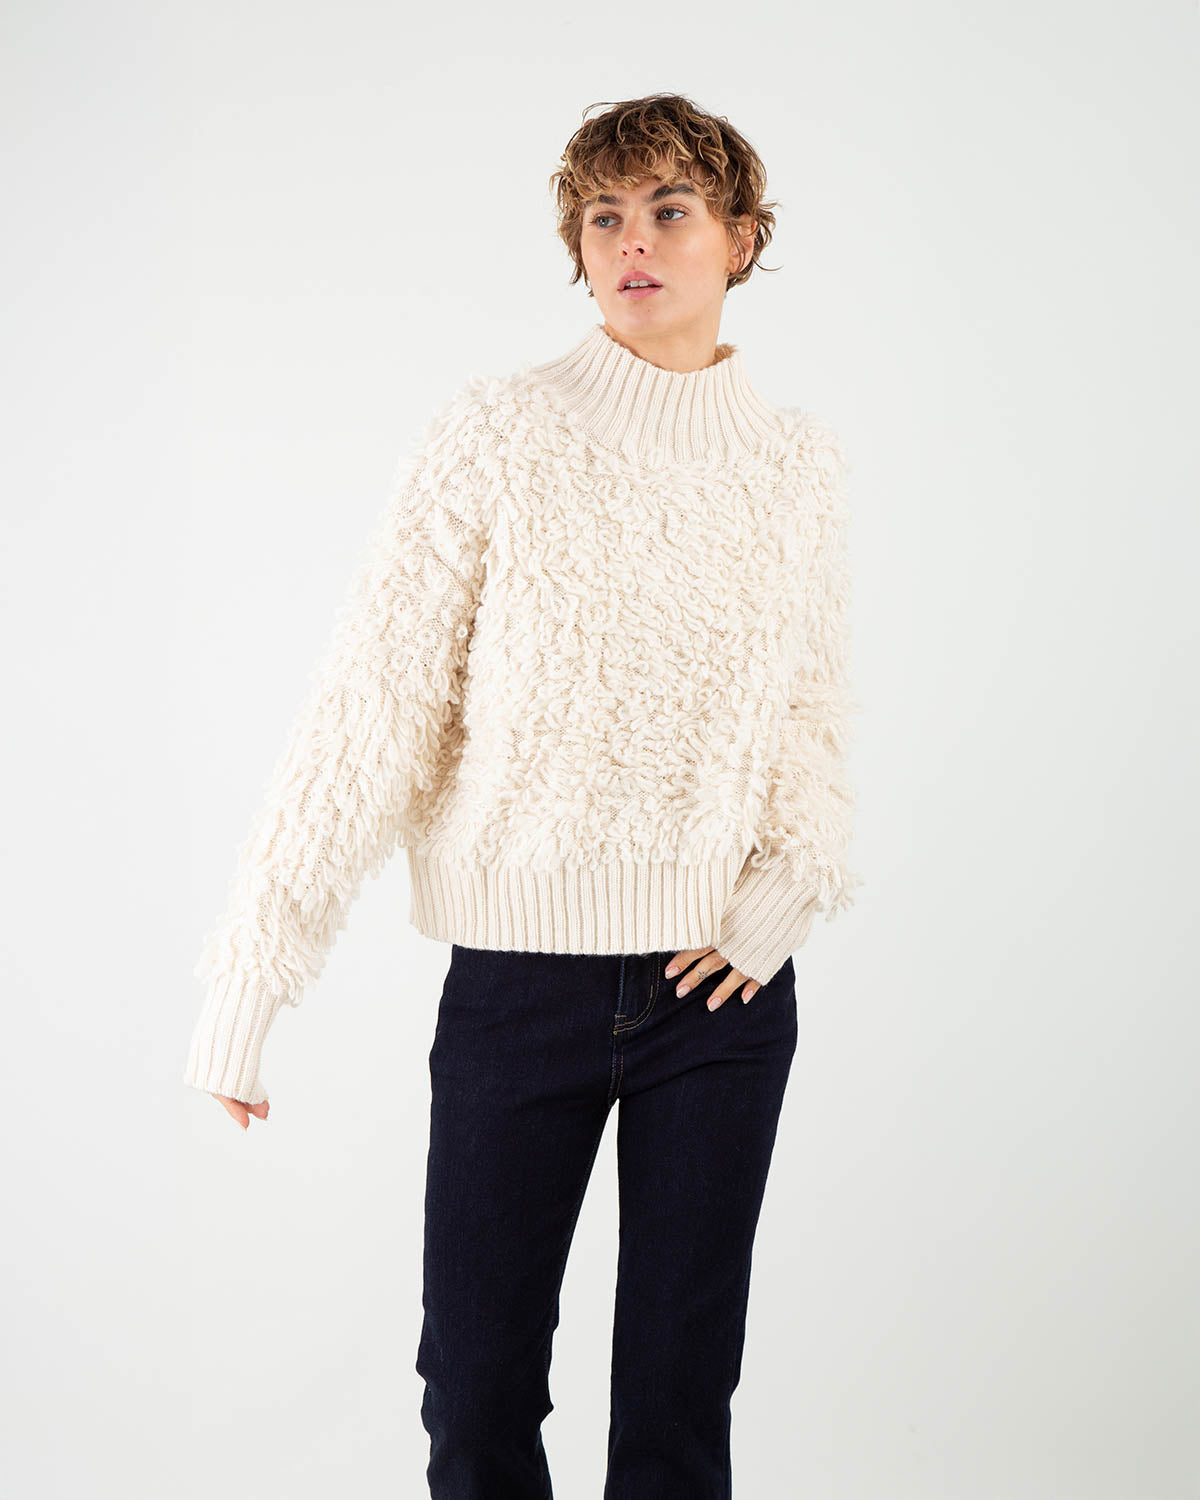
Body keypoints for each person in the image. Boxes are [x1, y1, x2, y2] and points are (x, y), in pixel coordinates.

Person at [184, 91, 861, 1500]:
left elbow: (809, 710)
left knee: (679, 1408)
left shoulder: (795, 463)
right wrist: (253, 979)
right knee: (479, 1391)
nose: (633, 241)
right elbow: (370, 709)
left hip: (720, 997)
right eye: (603, 216)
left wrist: (791, 887)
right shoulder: (500, 432)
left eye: (669, 209)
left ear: (742, 238)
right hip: (517, 990)